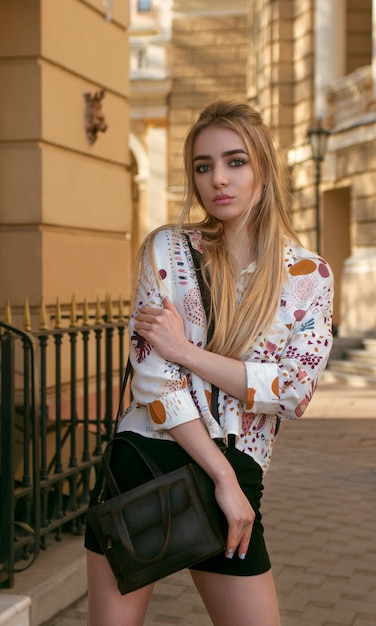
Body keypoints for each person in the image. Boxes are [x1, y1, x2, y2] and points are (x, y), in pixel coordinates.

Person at [85, 99, 333, 626]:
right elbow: (154, 381)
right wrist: (221, 477)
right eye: (203, 166)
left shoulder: (309, 275)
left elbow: (293, 391)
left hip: (241, 474)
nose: (218, 178)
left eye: (235, 161)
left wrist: (185, 351)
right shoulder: (166, 250)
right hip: (150, 463)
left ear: (263, 168)